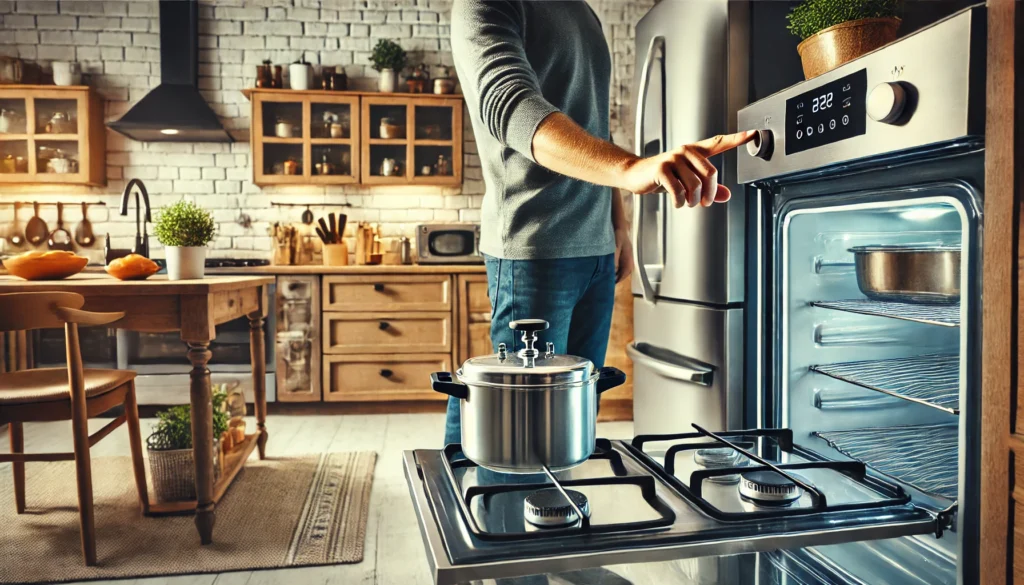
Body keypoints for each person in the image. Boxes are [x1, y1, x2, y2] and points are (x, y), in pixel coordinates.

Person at [445, 0, 755, 449]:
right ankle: (474, 508)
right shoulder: (485, 3)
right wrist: (631, 169)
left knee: (570, 415)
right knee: (510, 416)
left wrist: (619, 225)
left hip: (596, 250)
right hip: (535, 249)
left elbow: (595, 127)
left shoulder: (582, 11)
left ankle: (551, 513)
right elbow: (509, 106)